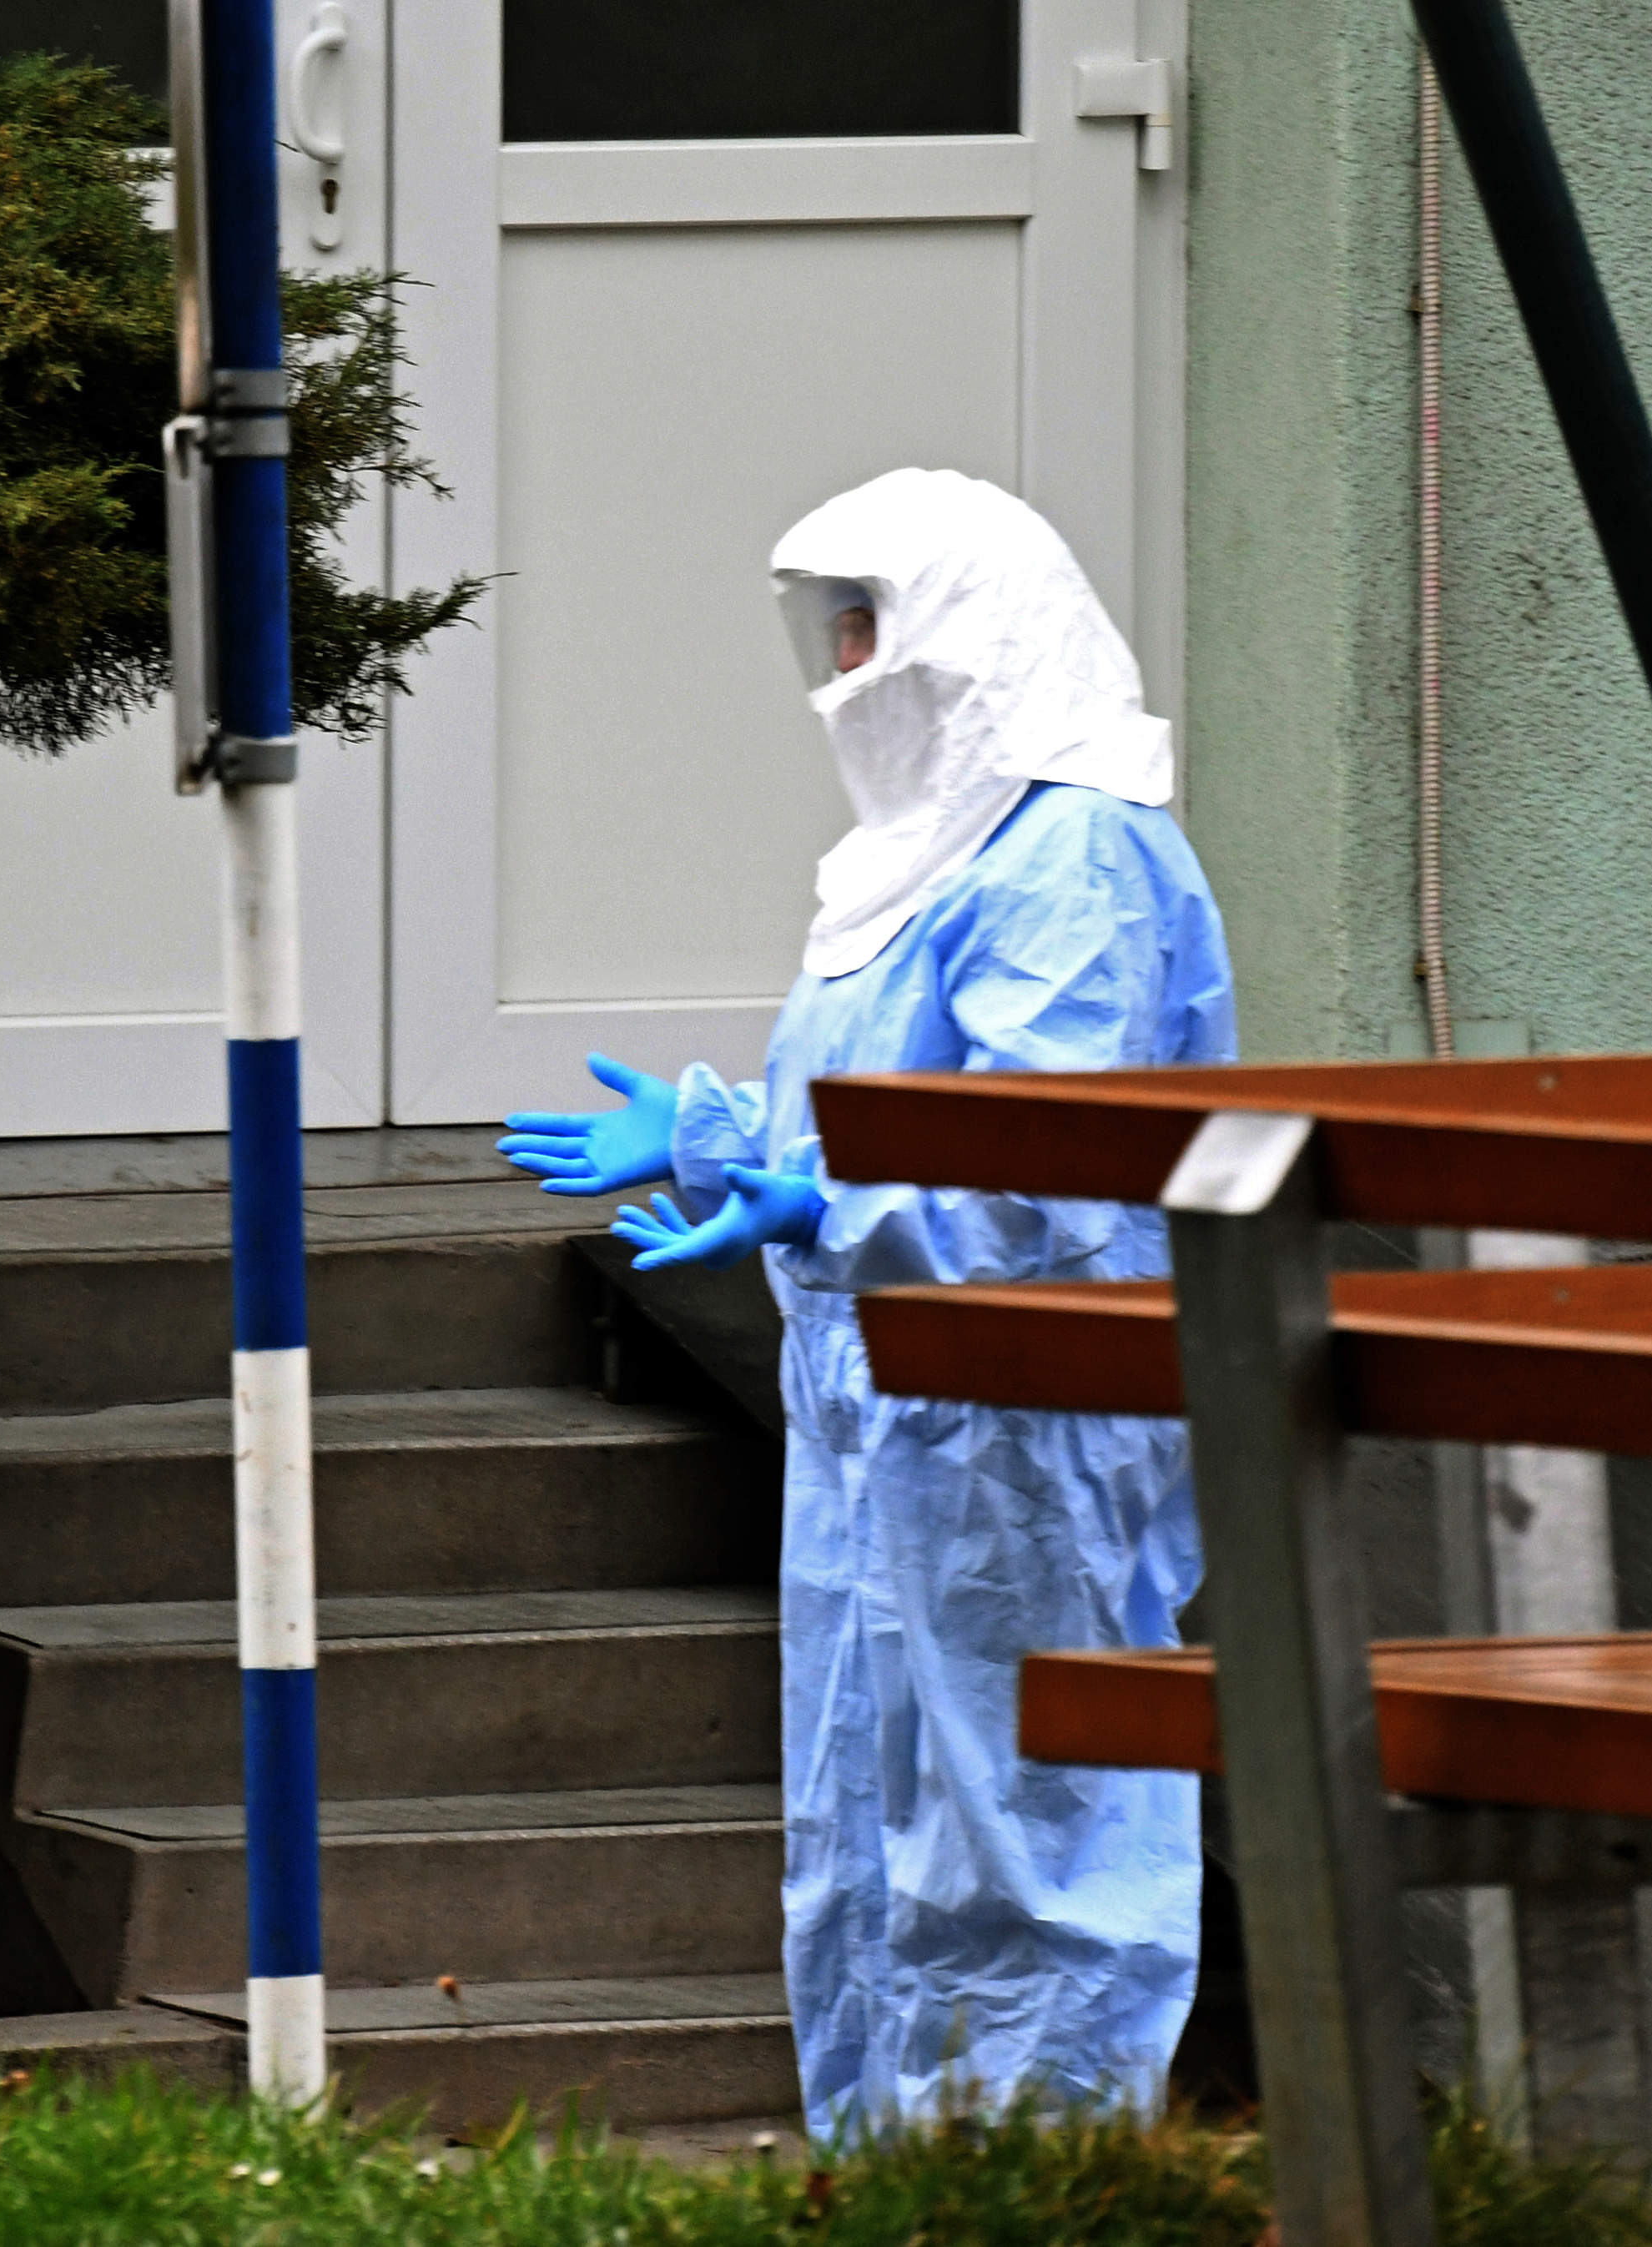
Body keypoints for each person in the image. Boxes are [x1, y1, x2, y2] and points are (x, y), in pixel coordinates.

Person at [498, 467, 1235, 2131]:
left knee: (1027, 1830)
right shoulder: (911, 863)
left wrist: (821, 1203)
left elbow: (1042, 1187)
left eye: (864, 625)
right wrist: (714, 1143)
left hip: (1021, 1418)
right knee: (868, 1828)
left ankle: (1037, 2194)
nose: (838, 666)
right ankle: (888, 2177)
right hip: (887, 1411)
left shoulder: (1073, 859)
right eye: (822, 628)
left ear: (966, 633)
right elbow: (881, 1123)